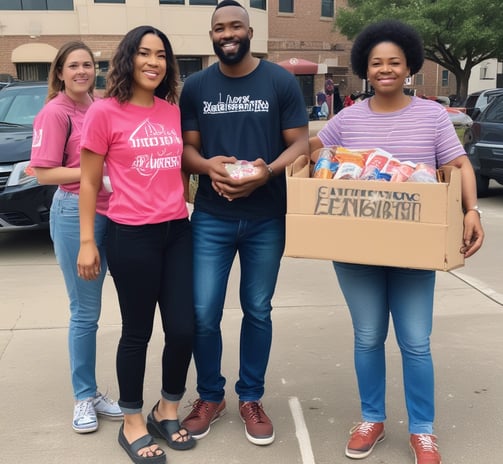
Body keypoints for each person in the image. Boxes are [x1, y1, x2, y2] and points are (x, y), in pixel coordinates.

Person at [309, 20, 484, 464]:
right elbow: (314, 150)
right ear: (365, 70)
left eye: (394, 63)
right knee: (368, 337)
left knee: (415, 340)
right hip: (355, 248)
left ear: (408, 67)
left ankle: (422, 430)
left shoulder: (430, 115)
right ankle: (372, 418)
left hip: (414, 248)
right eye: (376, 63)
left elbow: (459, 164)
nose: (385, 70)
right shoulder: (347, 117)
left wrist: (471, 210)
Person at [179, 0, 309, 446]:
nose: (227, 33)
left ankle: (251, 397)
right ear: (211, 35)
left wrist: (265, 173)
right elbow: (188, 150)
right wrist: (208, 167)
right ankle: (210, 396)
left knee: (258, 310)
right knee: (202, 312)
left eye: (236, 25)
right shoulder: (196, 86)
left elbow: (301, 145)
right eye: (219, 28)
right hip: (211, 219)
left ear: (250, 32)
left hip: (266, 217)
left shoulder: (279, 81)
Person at [77, 26, 195, 464]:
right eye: (144, 53)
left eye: (161, 55)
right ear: (128, 59)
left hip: (177, 231)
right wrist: (88, 240)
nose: (153, 62)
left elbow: (178, 167)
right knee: (138, 333)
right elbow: (89, 181)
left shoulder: (170, 110)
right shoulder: (104, 112)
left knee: (184, 328)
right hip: (131, 234)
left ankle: (166, 408)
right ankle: (132, 422)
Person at [30, 41, 122, 434]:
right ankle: (85, 396)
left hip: (115, 214)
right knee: (85, 313)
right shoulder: (55, 113)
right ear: (60, 72)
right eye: (74, 66)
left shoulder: (99, 105)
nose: (82, 71)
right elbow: (43, 172)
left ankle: (101, 394)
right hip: (73, 216)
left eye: (88, 65)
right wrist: (94, 175)